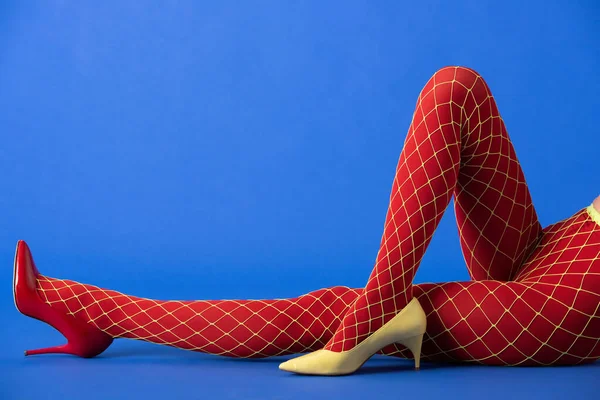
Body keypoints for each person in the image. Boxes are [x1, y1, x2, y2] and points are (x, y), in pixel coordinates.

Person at [13, 66, 600, 376]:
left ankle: (91, 309)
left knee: (331, 311)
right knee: (456, 88)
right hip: (561, 241)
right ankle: (382, 305)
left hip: (579, 302)